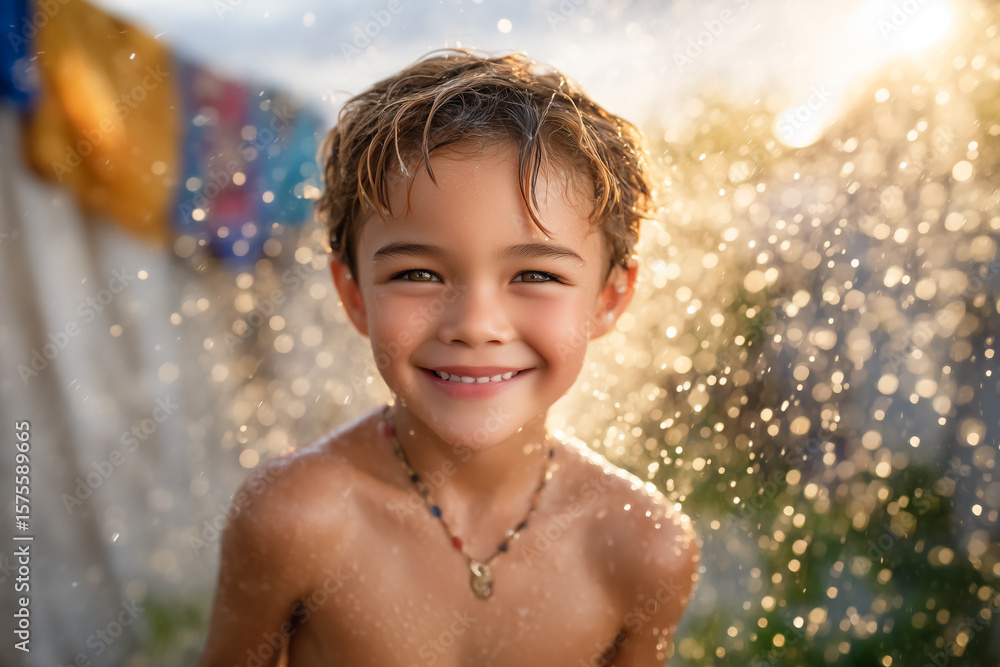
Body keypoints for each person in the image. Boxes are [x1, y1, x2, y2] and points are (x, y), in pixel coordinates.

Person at [198, 48, 699, 667]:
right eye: (418, 273)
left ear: (609, 298)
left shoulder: (644, 547)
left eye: (536, 275)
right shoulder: (296, 519)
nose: (475, 325)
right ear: (353, 294)